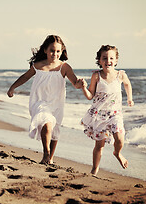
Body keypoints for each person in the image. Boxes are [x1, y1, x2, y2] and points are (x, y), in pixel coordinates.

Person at [7, 35, 83, 164]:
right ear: (45, 51)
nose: (55, 54)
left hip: (57, 103)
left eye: (58, 51)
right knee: (47, 124)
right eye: (52, 50)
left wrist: (81, 84)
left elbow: (75, 83)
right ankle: (46, 153)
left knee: (54, 129)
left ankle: (49, 159)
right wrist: (12, 88)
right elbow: (25, 77)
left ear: (62, 51)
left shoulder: (64, 67)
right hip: (39, 101)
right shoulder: (37, 66)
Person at [80, 45, 134, 175]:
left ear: (116, 61)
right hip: (99, 116)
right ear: (99, 60)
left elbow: (127, 84)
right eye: (104, 58)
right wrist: (83, 88)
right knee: (99, 146)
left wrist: (129, 98)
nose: (108, 61)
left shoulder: (120, 75)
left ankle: (117, 153)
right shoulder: (96, 76)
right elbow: (90, 96)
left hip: (115, 114)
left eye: (111, 58)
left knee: (120, 138)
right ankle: (95, 169)